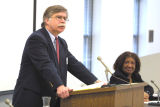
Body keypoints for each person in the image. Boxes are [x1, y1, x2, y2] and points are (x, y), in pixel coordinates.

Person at [12, 5, 101, 107]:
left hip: (50, 97)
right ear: (47, 20)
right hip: (31, 97)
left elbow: (74, 65)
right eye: (59, 17)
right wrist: (59, 85)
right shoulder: (37, 38)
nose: (63, 21)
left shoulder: (61, 43)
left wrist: (96, 82)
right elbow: (45, 64)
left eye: (65, 18)